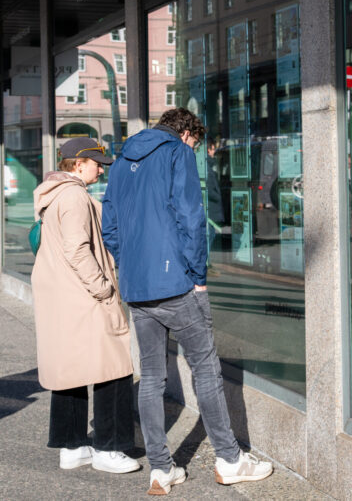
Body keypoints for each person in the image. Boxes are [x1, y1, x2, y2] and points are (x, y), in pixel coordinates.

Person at [101, 108, 273, 494]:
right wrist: (197, 275)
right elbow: (191, 218)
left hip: (136, 286)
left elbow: (108, 225)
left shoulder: (122, 159)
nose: (194, 150)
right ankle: (230, 460)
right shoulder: (176, 152)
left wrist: (129, 263)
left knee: (151, 377)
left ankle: (161, 469)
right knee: (206, 371)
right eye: (195, 144)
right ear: (185, 134)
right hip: (176, 284)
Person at [31, 137, 139, 474]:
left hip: (62, 296)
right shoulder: (74, 196)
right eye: (96, 164)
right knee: (115, 370)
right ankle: (109, 448)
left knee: (70, 371)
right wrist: (104, 289)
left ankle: (72, 446)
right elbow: (77, 249)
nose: (100, 171)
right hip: (85, 295)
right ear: (78, 164)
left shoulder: (53, 194)